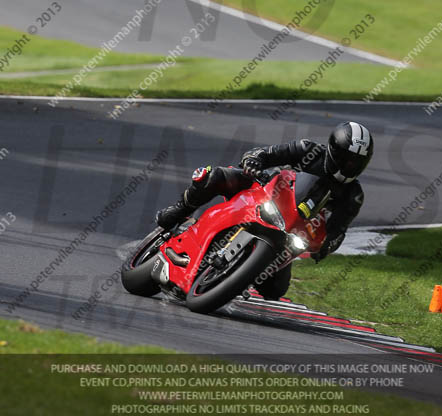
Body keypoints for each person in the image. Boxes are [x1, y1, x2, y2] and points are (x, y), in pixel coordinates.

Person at [157, 121, 373, 299]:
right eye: (348, 159)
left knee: (274, 291)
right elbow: (266, 153)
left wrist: (326, 246)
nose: (350, 166)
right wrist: (254, 161)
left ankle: (236, 275)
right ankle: (179, 210)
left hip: (290, 232)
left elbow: (338, 230)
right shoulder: (309, 150)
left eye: (357, 163)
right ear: (334, 150)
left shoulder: (353, 195)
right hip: (262, 191)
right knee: (213, 177)